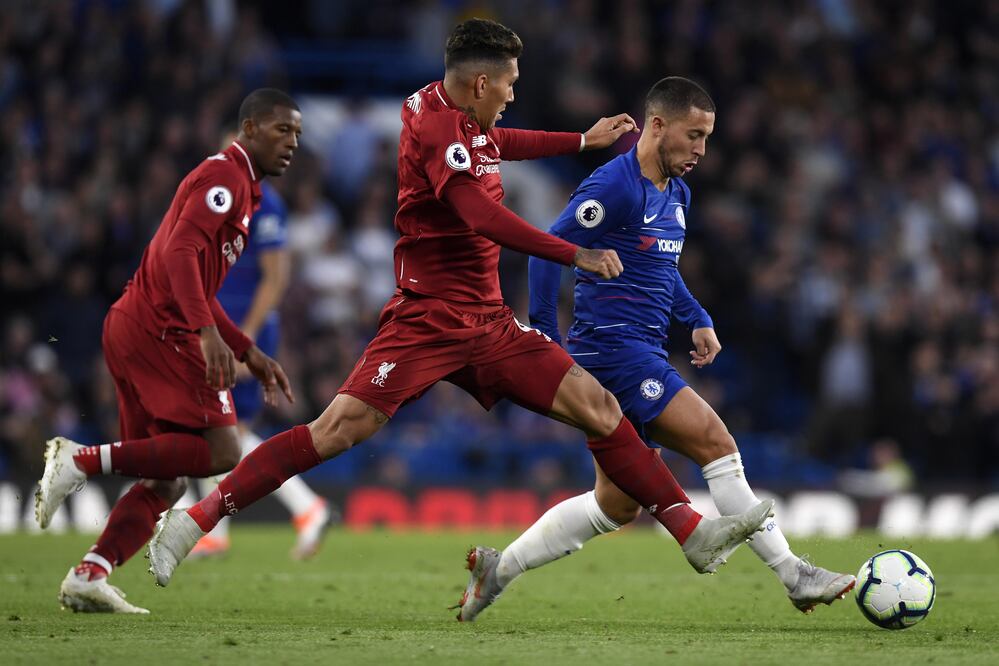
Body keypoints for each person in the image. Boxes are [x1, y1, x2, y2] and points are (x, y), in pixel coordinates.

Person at [147, 18, 774, 593]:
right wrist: (571, 254)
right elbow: (481, 214)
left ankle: (690, 531)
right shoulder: (440, 128)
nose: (511, 94)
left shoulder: (452, 109)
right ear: (481, 82)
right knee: (337, 431)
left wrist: (579, 139)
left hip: (491, 323)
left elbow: (499, 141)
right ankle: (195, 519)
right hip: (427, 320)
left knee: (598, 405)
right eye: (508, 84)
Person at [456, 77, 856, 622]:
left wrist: (695, 318)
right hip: (611, 353)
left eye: (708, 138)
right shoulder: (614, 186)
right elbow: (548, 251)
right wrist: (547, 338)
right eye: (694, 136)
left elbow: (661, 268)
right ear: (657, 125)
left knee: (615, 504)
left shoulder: (678, 194)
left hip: (642, 348)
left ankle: (496, 571)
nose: (701, 151)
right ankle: (795, 575)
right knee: (716, 442)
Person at [33, 88, 301, 613]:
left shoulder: (246, 189)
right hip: (162, 332)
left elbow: (196, 278)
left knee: (164, 481)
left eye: (297, 134)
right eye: (281, 130)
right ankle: (79, 459)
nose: (292, 142)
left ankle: (90, 573)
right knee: (223, 450)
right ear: (248, 130)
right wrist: (206, 333)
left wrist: (246, 349)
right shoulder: (225, 176)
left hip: (137, 326)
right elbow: (180, 251)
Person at [190, 156, 331, 562]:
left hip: (241, 326)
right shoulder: (220, 197)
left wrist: (248, 335)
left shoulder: (264, 202)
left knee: (218, 424)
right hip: (224, 322)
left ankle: (303, 509)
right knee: (224, 429)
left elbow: (276, 275)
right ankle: (303, 509)